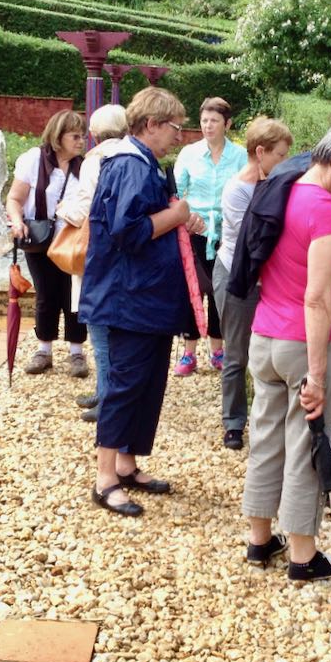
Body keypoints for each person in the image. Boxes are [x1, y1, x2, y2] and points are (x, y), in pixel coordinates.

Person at [244, 121, 331, 581]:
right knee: (309, 444)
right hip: (306, 343)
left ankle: (260, 540)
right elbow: (317, 297)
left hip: (265, 336)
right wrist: (320, 376)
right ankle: (303, 556)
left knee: (265, 439)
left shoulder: (281, 189)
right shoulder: (327, 210)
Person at [78, 87, 193, 517]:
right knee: (125, 385)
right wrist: (176, 216)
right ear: (151, 125)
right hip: (128, 299)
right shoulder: (130, 165)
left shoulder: (142, 163)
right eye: (175, 128)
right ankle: (105, 478)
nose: (178, 136)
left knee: (146, 385)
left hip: (145, 299)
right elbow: (129, 231)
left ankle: (126, 465)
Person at [212, 116, 293, 450]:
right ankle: (233, 422)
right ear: (261, 152)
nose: (283, 163)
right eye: (279, 155)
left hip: (264, 280)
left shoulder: (271, 183)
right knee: (236, 354)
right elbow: (255, 241)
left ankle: (265, 421)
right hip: (236, 277)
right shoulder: (237, 190)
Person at [56, 103, 130, 422]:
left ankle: (107, 401)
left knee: (99, 328)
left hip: (97, 252)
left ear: (94, 133)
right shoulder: (134, 156)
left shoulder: (96, 159)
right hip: (125, 252)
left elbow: (87, 204)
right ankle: (105, 392)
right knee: (117, 329)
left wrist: (62, 210)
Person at [7, 109, 88, 377]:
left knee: (73, 295)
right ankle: (44, 350)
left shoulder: (84, 166)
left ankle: (76, 353)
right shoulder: (33, 160)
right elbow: (15, 199)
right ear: (58, 137)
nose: (81, 141)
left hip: (71, 240)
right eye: (75, 136)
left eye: (83, 136)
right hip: (40, 239)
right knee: (46, 294)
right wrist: (17, 222)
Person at [172, 97, 247, 375]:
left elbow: (248, 191)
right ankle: (188, 353)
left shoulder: (240, 156)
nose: (207, 126)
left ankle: (218, 349)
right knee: (192, 289)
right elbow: (177, 192)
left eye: (214, 120)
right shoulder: (189, 153)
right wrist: (186, 216)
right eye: (204, 120)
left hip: (228, 234)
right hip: (195, 230)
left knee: (220, 292)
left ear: (227, 123)